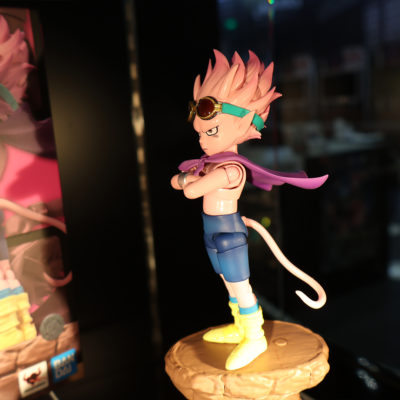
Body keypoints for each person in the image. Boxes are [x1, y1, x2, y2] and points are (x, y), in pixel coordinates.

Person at [171, 50, 327, 370]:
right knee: (227, 281)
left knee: (239, 283)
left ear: (243, 123)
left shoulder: (231, 169)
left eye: (211, 131)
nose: (202, 141)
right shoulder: (210, 163)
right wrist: (189, 177)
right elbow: (177, 180)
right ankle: (241, 326)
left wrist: (191, 179)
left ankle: (255, 336)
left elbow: (189, 189)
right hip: (212, 228)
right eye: (200, 133)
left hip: (228, 230)